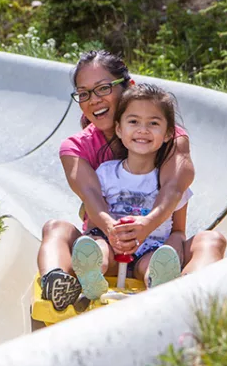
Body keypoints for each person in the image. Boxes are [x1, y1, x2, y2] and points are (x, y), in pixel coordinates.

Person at [38, 50, 227, 311]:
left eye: (103, 88)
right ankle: (58, 281)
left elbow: (174, 188)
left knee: (211, 240)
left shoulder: (168, 137)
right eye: (84, 93)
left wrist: (147, 226)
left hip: (154, 242)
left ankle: (190, 293)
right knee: (56, 227)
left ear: (129, 88)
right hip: (103, 240)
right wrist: (113, 231)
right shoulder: (76, 148)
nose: (94, 100)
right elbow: (91, 195)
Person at [72, 82, 194, 300]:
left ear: (168, 133)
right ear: (119, 129)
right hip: (111, 239)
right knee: (98, 248)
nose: (143, 130)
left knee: (152, 263)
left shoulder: (170, 181)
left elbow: (178, 229)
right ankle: (92, 274)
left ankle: (157, 280)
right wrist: (112, 234)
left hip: (151, 246)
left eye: (153, 123)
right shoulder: (105, 173)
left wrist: (171, 247)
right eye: (134, 122)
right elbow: (92, 221)